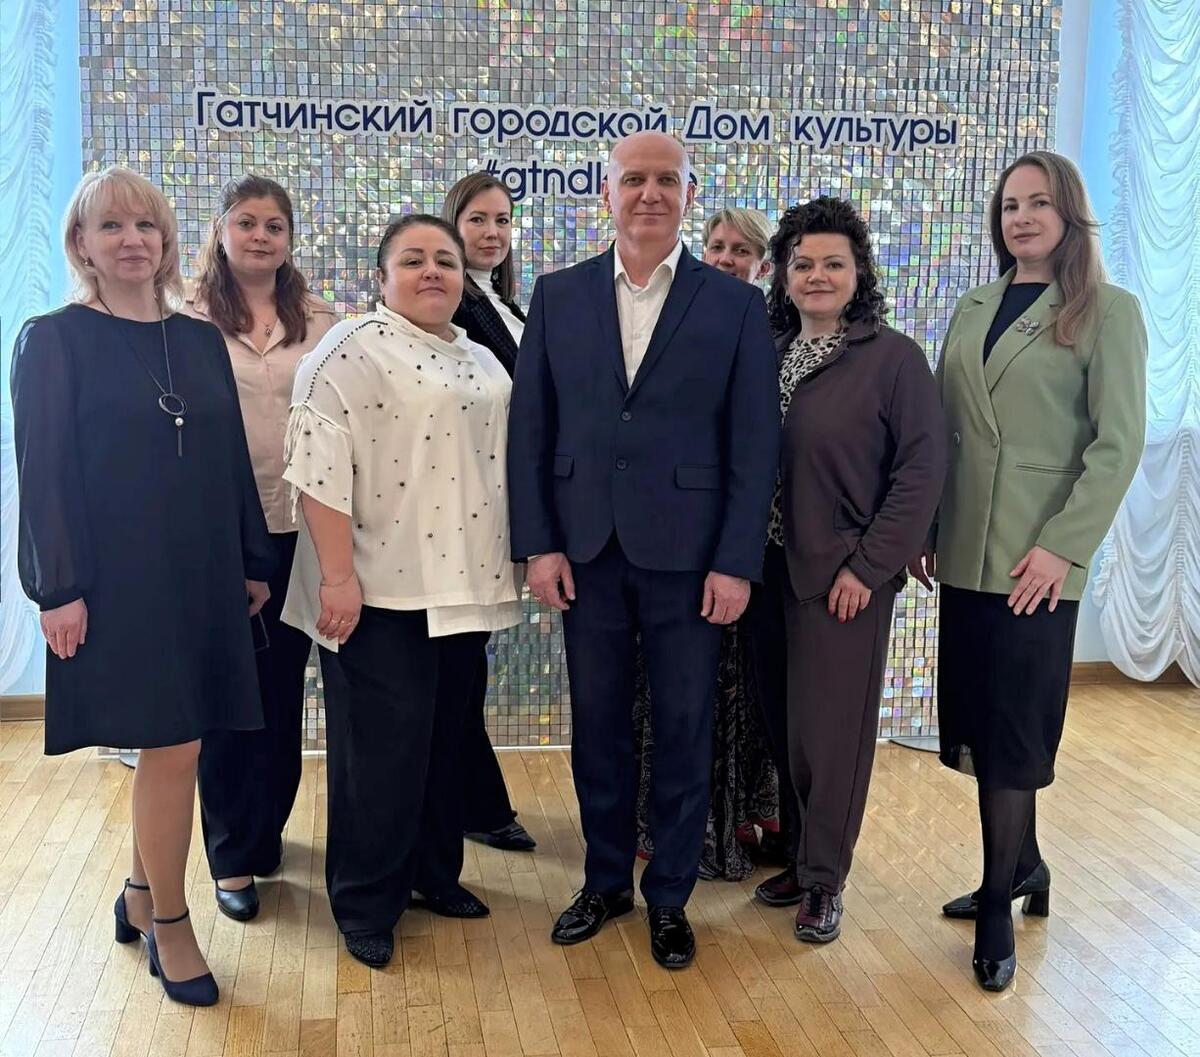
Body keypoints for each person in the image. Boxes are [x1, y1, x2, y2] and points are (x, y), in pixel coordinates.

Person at [507, 131, 779, 969]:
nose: (650, 193)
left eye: (667, 179)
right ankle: (603, 880)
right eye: (634, 179)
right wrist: (540, 545)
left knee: (686, 725)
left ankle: (669, 895)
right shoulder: (558, 295)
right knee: (598, 725)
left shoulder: (734, 305)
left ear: (689, 195)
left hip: (691, 559)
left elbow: (754, 444)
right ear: (607, 193)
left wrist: (736, 560)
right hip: (585, 551)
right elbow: (531, 430)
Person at [11, 166, 273, 1007]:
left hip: (202, 570)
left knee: (176, 739)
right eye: (111, 226)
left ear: (165, 242)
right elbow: (44, 474)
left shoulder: (196, 340)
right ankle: (170, 919)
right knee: (175, 742)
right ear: (81, 245)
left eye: (146, 226)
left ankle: (135, 891)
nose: (132, 240)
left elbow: (230, 460)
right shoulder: (52, 339)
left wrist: (250, 558)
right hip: (117, 578)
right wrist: (57, 587)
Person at [910, 151, 1147, 991]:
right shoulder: (974, 305)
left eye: (1039, 203)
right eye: (1010, 205)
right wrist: (929, 523)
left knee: (1015, 735)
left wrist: (1064, 545)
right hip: (969, 553)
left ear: (1069, 213)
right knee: (985, 723)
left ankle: (995, 905)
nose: (1021, 217)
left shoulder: (1109, 311)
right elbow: (945, 425)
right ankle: (1027, 863)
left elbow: (1118, 444)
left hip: (1037, 560)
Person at [281, 214, 522, 969]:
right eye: (412, 260)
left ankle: (432, 874)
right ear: (382, 277)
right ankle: (365, 902)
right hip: (377, 590)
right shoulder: (349, 349)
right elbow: (316, 469)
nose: (432, 272)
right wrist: (338, 578)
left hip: (461, 587)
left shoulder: (480, 355)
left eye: (444, 260)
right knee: (379, 756)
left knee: (444, 743)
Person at [761, 197, 944, 943]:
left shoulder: (892, 359)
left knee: (831, 735)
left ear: (859, 272)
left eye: (833, 263)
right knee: (786, 728)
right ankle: (800, 855)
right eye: (802, 263)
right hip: (764, 570)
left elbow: (921, 471)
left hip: (841, 577)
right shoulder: (769, 349)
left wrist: (868, 568)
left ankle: (824, 881)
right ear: (782, 274)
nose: (817, 275)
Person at [187, 175, 338, 922]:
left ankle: (265, 830)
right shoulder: (183, 318)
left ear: (289, 238)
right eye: (245, 222)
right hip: (218, 534)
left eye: (274, 225)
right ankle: (231, 855)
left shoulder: (322, 320)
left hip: (304, 529)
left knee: (282, 693)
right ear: (220, 231)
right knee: (229, 699)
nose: (259, 236)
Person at [632, 206, 791, 881]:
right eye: (717, 246)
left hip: (752, 547)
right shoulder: (677, 322)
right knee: (673, 697)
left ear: (764, 265)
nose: (726, 258)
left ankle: (740, 816)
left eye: (741, 250)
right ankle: (674, 824)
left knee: (746, 697)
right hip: (678, 544)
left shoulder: (782, 336)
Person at [441, 171, 536, 853]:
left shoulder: (510, 308)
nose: (492, 232)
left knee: (469, 664)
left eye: (502, 220)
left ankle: (471, 799)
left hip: (503, 509)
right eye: (477, 218)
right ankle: (473, 802)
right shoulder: (451, 310)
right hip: (463, 510)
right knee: (458, 668)